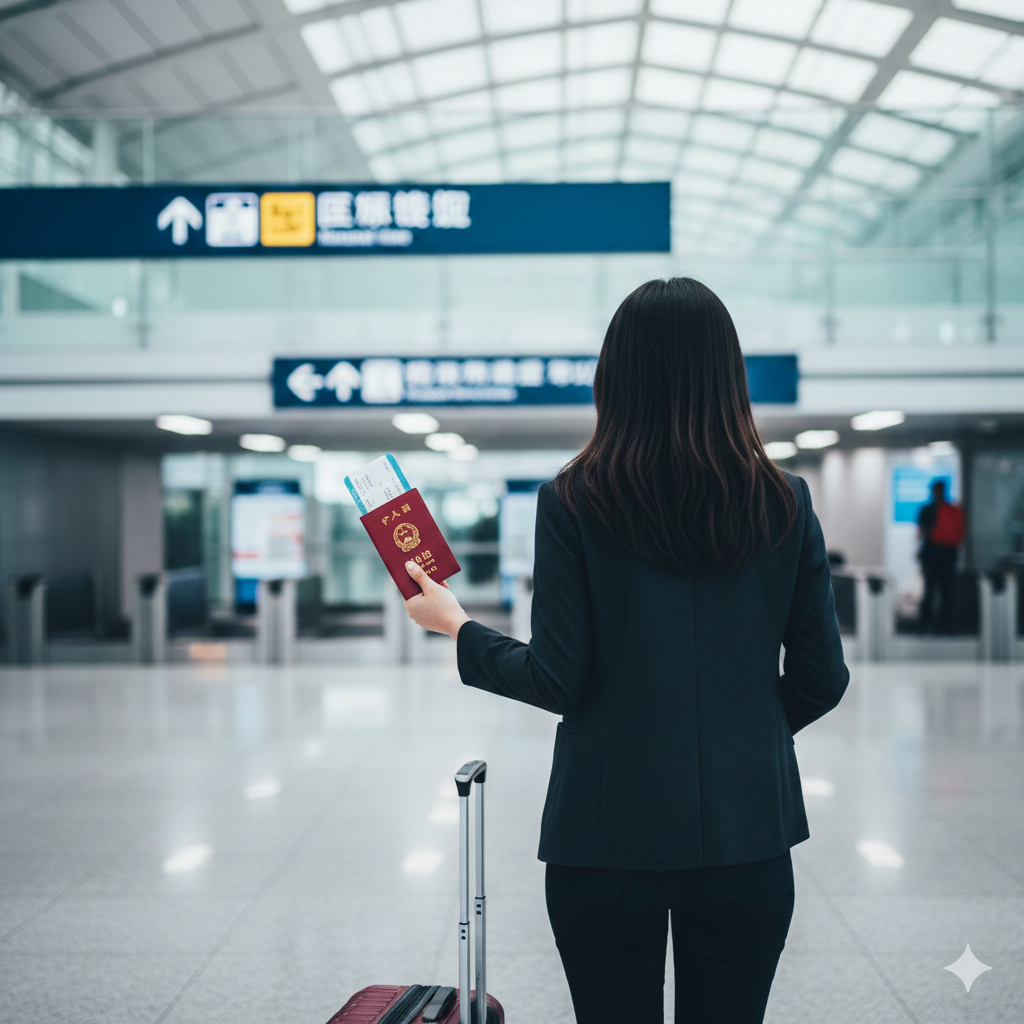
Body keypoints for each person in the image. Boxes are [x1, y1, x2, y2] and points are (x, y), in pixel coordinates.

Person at [403, 277, 849, 1024]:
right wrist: (743, 735)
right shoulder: (785, 500)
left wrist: (457, 626)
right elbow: (822, 678)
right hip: (748, 839)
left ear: (615, 378)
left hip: (604, 841)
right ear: (729, 376)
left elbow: (557, 677)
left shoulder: (573, 499)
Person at [916, 479, 965, 634]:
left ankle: (926, 624)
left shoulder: (926, 509)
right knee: (946, 590)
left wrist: (919, 551)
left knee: (930, 589)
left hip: (931, 553)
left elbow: (920, 532)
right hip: (949, 554)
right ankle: (945, 625)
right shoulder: (952, 509)